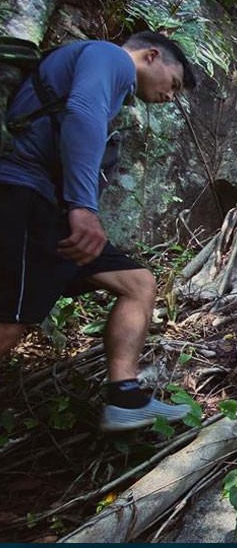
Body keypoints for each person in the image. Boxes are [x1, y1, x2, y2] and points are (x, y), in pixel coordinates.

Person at [0, 31, 197, 431]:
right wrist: (83, 206)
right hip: (23, 195)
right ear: (150, 56)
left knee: (138, 283)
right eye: (173, 84)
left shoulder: (114, 83)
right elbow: (84, 112)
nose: (170, 96)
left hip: (49, 210)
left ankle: (125, 397)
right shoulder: (109, 58)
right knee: (10, 319)